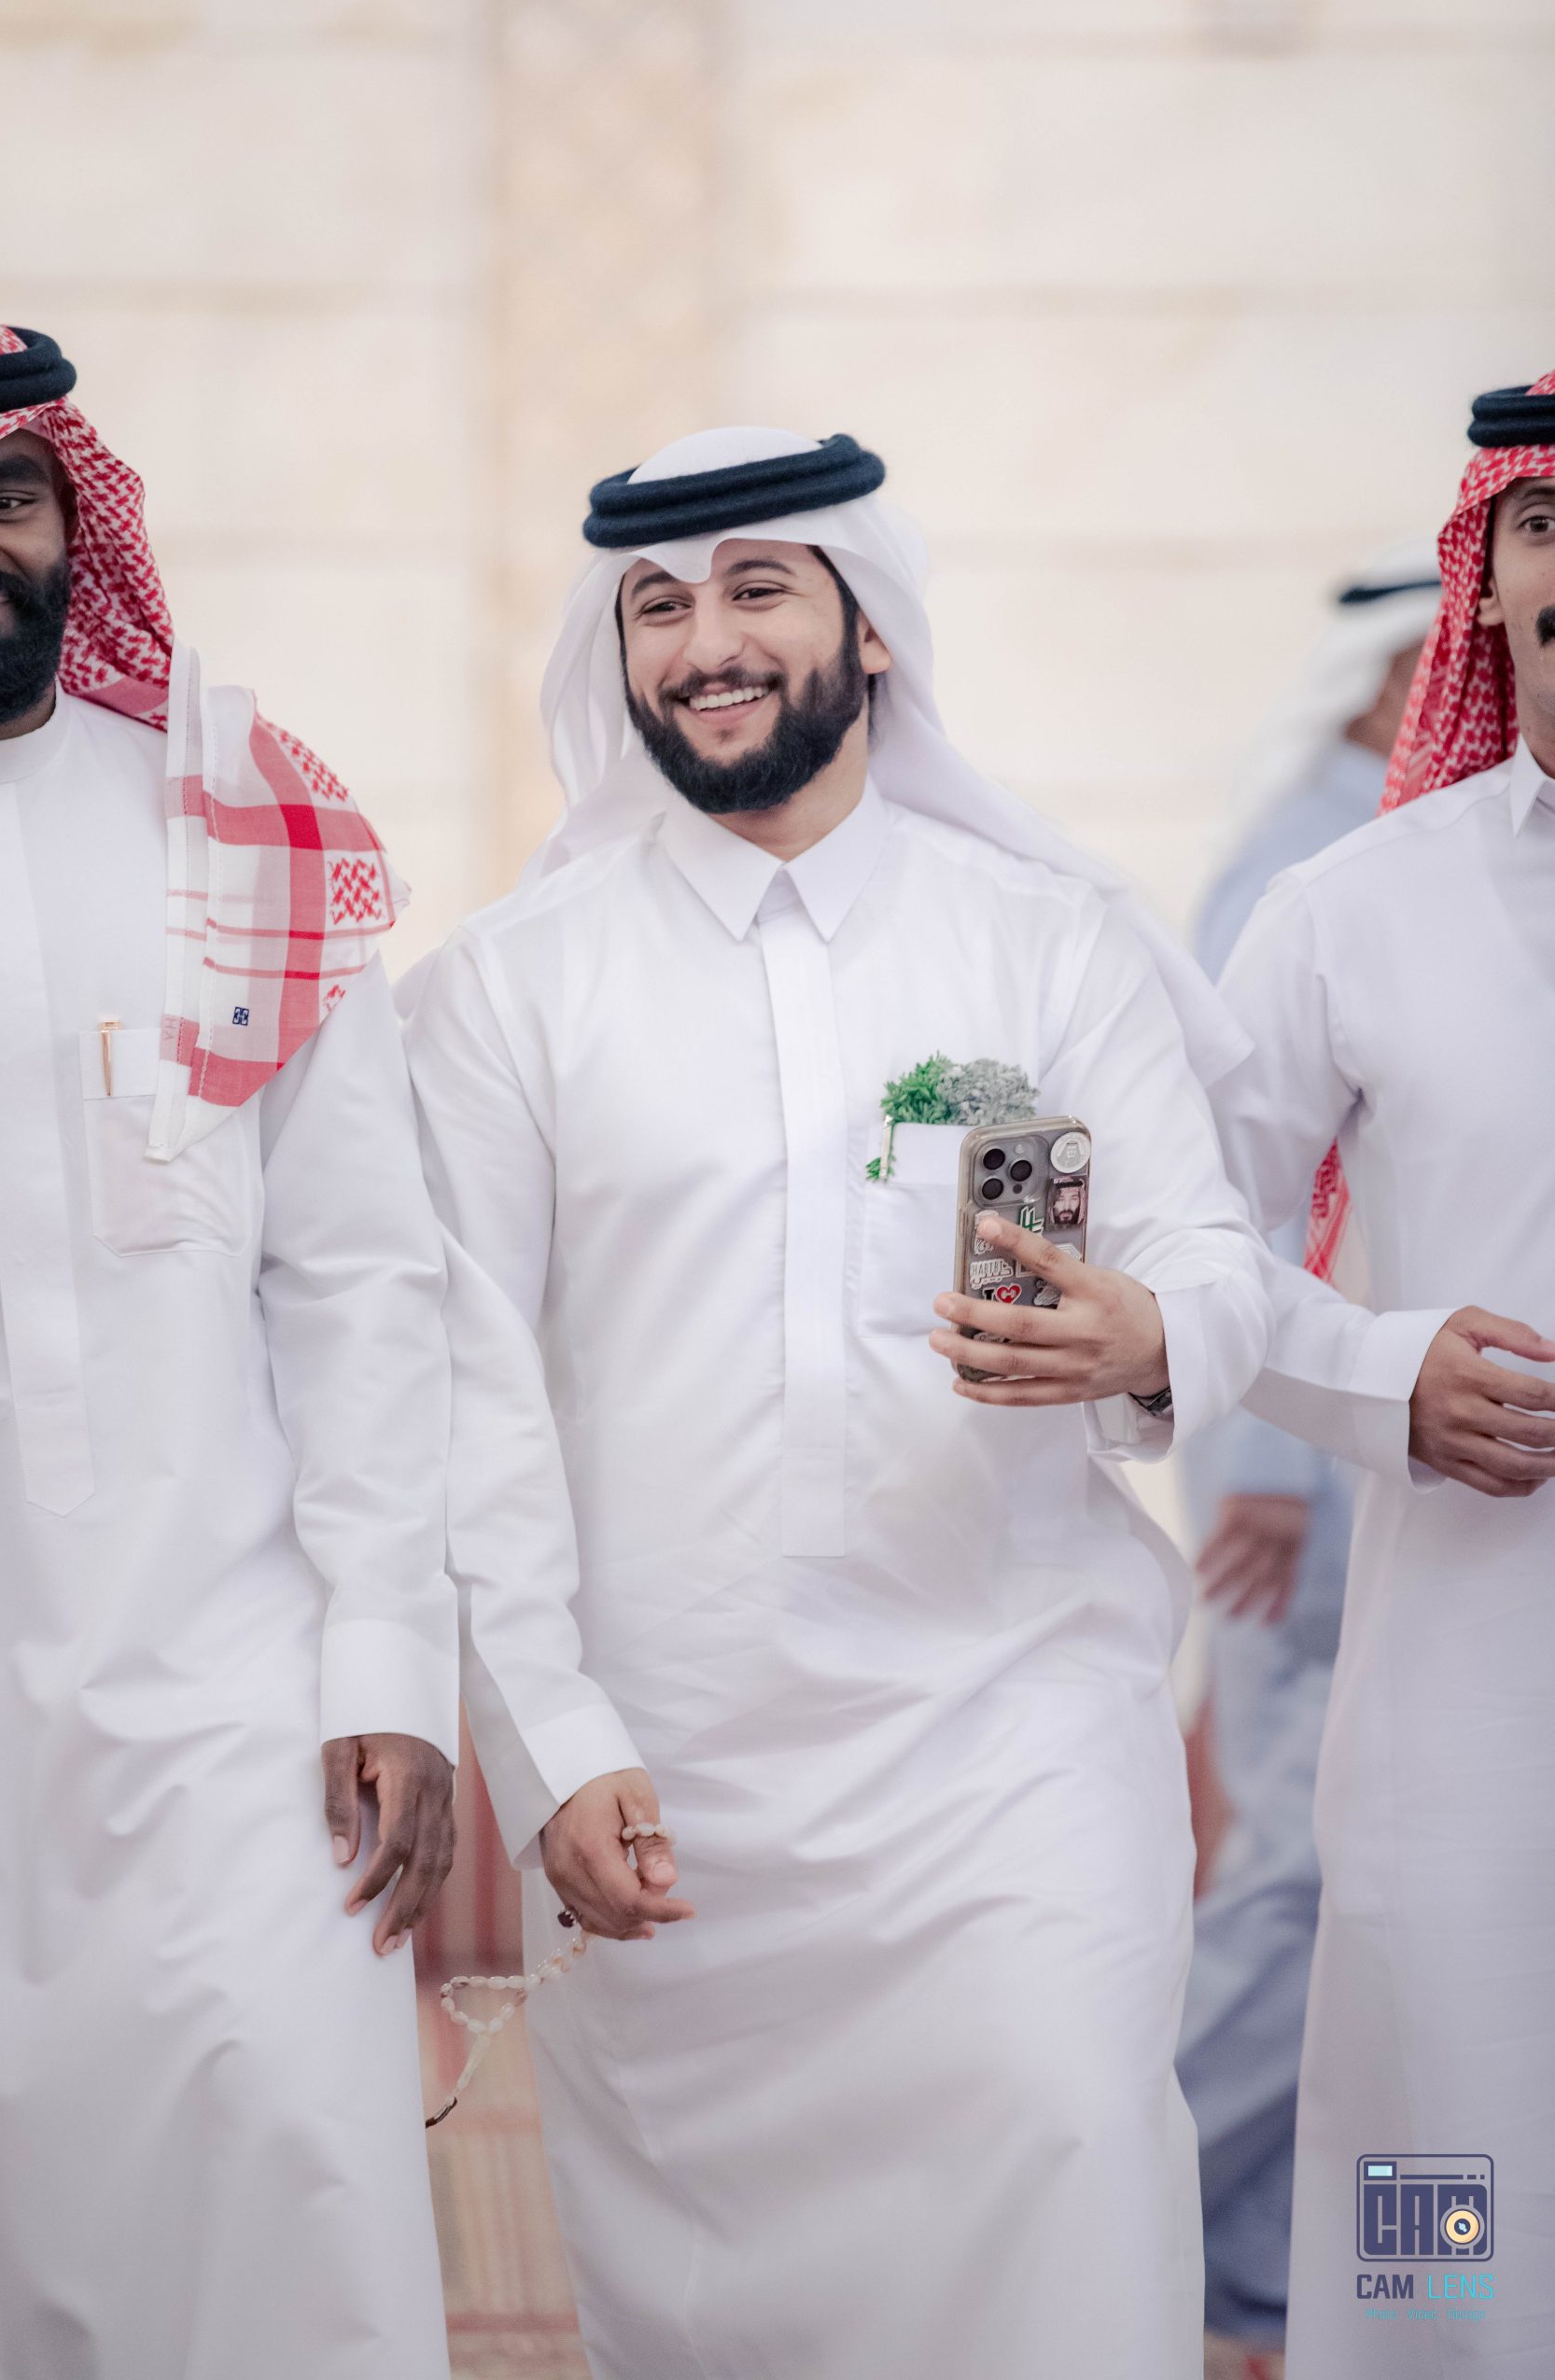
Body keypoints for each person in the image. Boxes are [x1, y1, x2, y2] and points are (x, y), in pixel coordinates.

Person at [404, 426, 1270, 2380]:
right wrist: (550, 1742)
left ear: (867, 627)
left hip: (1011, 1735)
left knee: (1068, 2157)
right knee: (729, 2313)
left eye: (755, 589)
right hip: (675, 1777)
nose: (702, 640)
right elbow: (470, 1405)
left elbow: (1206, 1250)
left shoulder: (1047, 941)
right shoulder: (503, 993)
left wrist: (1141, 1331)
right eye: (656, 605)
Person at [0, 312, 459, 2377]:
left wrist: (388, 1651)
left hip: (231, 1692)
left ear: (75, 524)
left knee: (288, 2179)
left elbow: (361, 1276)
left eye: (4, 497)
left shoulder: (232, 822)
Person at [1213, 371, 1555, 2377]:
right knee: (1443, 2174)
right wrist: (1377, 1375)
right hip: (1463, 1685)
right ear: (1484, 579)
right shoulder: (1352, 906)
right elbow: (1188, 1241)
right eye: (1544, 523)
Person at [1176, 551, 1437, 2368]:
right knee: (1301, 1869)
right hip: (1316, 1471)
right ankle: (1128, 2191)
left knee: (1399, 1898)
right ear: (1384, 680)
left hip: (1429, 1459)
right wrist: (1260, 1467)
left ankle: (1267, 2278)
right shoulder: (1310, 862)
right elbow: (1226, 1186)